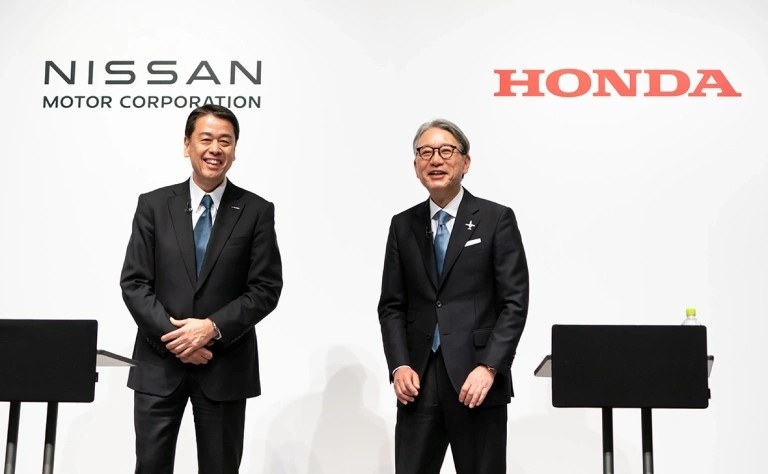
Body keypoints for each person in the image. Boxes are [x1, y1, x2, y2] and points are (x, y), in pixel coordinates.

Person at [120, 104, 283, 473]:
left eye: (225, 141)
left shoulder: (256, 210)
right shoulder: (153, 205)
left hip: (224, 365)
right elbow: (134, 282)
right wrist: (178, 338)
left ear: (235, 150)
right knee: (150, 467)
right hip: (159, 364)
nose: (215, 149)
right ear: (186, 145)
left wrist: (210, 328)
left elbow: (265, 288)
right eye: (206, 139)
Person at [377, 119, 529, 474]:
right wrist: (399, 365)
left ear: (466, 162)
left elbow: (514, 303)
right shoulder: (403, 224)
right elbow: (392, 305)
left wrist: (490, 366)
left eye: (446, 151)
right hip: (418, 380)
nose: (435, 160)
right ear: (415, 165)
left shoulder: (496, 219)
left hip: (477, 380)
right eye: (425, 152)